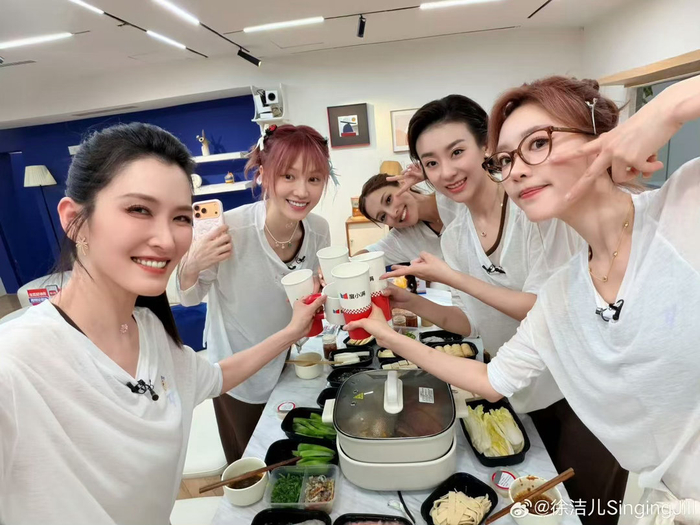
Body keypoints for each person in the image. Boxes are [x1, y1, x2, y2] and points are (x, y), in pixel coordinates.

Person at [348, 75, 700, 524]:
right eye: (507, 159)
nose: (515, 170)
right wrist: (386, 331)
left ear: (598, 136)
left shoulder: (682, 207)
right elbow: (490, 376)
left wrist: (663, 110)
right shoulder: (564, 292)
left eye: (538, 144)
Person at [0, 123, 325, 524]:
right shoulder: (15, 363)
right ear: (74, 219)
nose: (167, 240)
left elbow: (216, 377)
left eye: (180, 217)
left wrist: (292, 332)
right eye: (139, 209)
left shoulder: (152, 334)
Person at [177, 124, 332, 463]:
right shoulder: (231, 229)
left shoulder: (319, 229)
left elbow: (305, 290)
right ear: (263, 175)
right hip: (238, 370)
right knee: (249, 463)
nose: (302, 191)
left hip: (287, 361)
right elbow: (189, 297)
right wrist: (192, 264)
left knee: (289, 453)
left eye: (314, 179)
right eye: (288, 176)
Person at [356, 172, 459, 265]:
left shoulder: (454, 197)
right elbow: (365, 256)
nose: (393, 213)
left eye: (388, 200)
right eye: (383, 217)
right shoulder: (403, 237)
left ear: (403, 183)